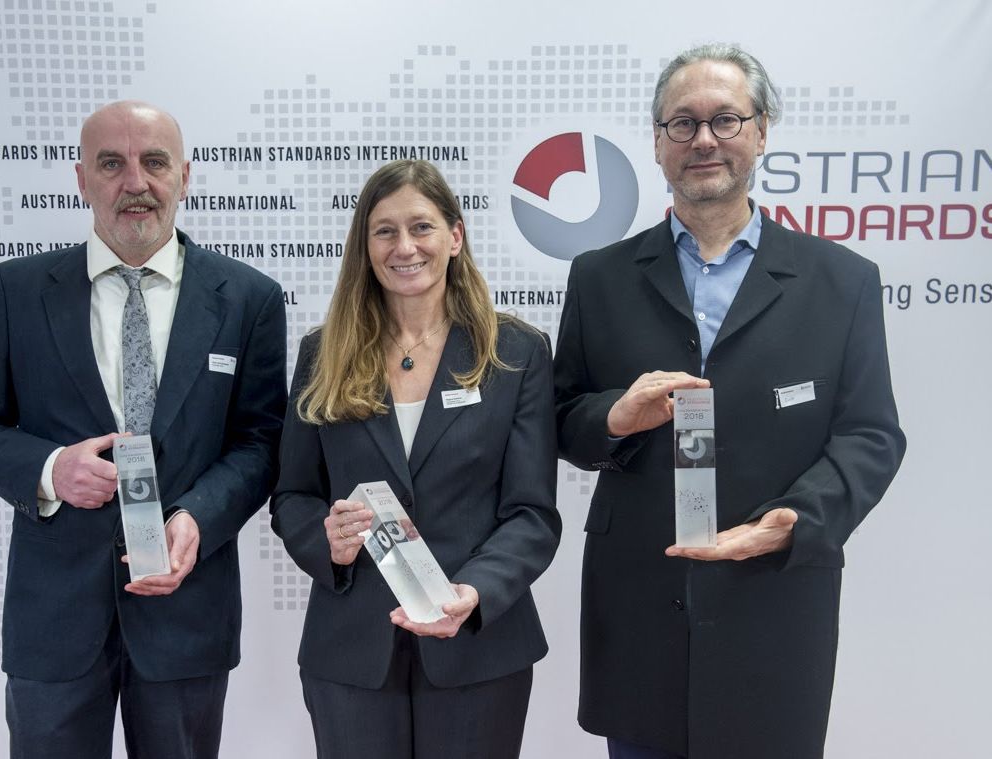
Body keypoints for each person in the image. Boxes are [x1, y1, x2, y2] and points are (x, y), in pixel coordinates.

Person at [553, 44, 905, 759]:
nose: (704, 139)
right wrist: (614, 417)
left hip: (773, 597)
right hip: (639, 603)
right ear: (657, 141)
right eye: (682, 123)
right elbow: (561, 419)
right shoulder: (598, 277)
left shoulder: (841, 281)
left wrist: (795, 521)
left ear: (761, 130)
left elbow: (871, 434)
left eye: (725, 119)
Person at [0, 100, 287, 759]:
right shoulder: (19, 290)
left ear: (184, 175)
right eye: (111, 164)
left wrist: (199, 517)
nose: (135, 182)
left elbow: (261, 441)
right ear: (81, 179)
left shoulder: (249, 298)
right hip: (54, 618)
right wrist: (51, 470)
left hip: (187, 611)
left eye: (154, 162)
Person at [271, 160, 561, 759]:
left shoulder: (516, 352)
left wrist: (475, 591)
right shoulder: (322, 353)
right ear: (365, 245)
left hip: (478, 648)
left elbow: (532, 513)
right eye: (385, 231)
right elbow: (293, 494)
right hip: (351, 650)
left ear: (455, 236)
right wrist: (328, 541)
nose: (404, 247)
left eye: (421, 227)